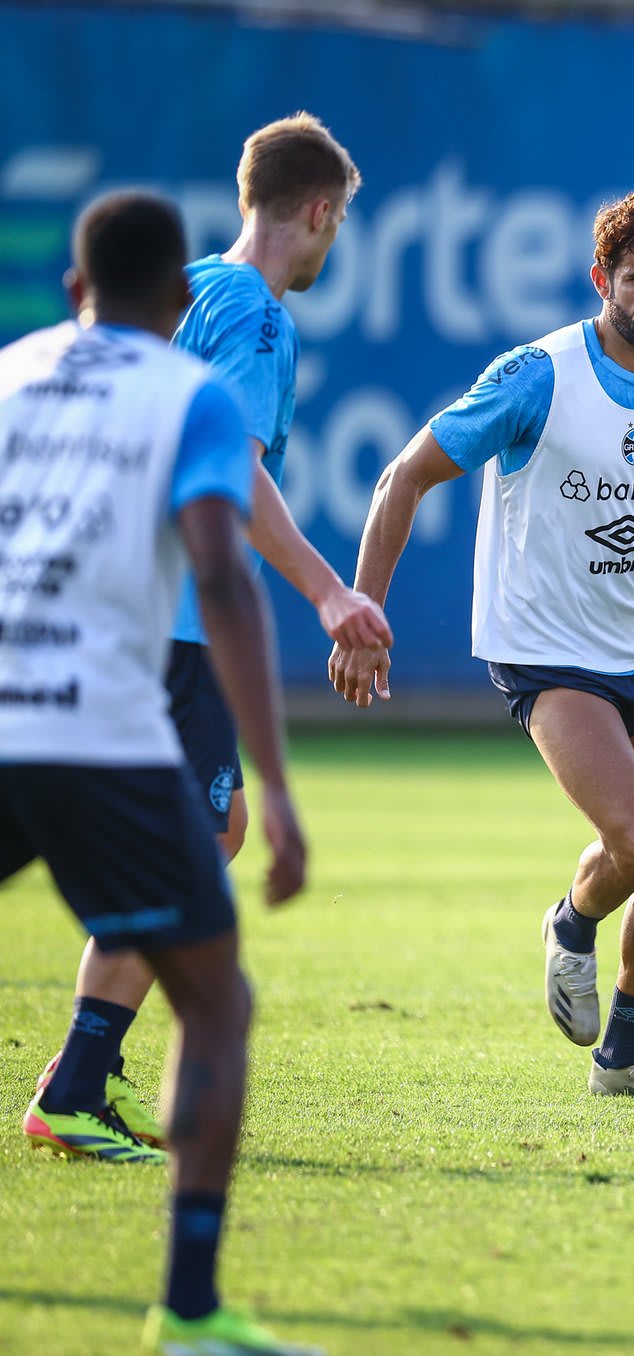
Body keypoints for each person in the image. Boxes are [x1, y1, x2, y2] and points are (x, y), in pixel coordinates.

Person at [330, 189, 634, 1097]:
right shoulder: (539, 373)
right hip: (545, 649)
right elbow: (403, 475)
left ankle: (624, 1059)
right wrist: (363, 611)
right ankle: (572, 924)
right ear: (601, 281)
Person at [22, 114, 389, 1160]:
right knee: (195, 842)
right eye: (338, 222)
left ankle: (88, 1069)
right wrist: (329, 591)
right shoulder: (260, 318)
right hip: (178, 629)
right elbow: (233, 473)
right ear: (317, 211)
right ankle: (78, 1087)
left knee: (195, 838)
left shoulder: (183, 289)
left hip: (104, 613)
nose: (332, 243)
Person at [0, 190, 322, 1356]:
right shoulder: (188, 391)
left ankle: (81, 1084)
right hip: (91, 727)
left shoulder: (10, 370)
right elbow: (223, 578)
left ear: (75, 291)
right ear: (180, 301)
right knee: (216, 999)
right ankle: (190, 1308)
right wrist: (277, 786)